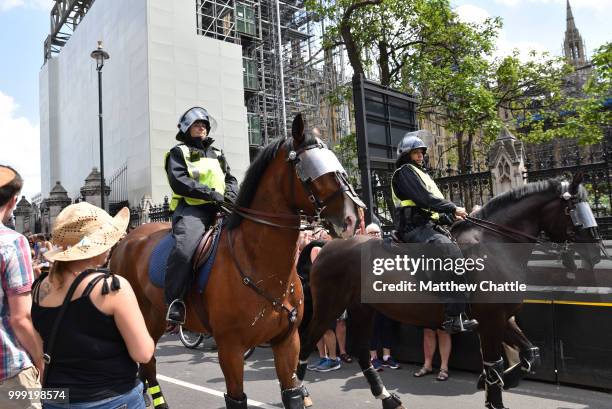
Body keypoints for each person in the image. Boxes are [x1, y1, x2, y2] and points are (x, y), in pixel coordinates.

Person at [31, 202, 154, 408]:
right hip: (110, 397)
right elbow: (142, 353)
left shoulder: (38, 288)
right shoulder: (111, 287)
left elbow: (39, 352)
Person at [392, 131, 478, 334]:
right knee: (450, 252)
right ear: (406, 154)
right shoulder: (404, 172)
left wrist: (451, 218)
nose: (421, 156)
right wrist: (452, 208)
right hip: (412, 228)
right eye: (416, 152)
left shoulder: (423, 174)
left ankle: (462, 310)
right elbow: (424, 200)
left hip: (427, 225)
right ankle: (452, 316)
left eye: (422, 152)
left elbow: (431, 210)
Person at [165, 107, 238, 324]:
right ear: (187, 129)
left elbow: (230, 179)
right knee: (184, 250)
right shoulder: (179, 152)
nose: (203, 128)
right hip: (193, 210)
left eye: (205, 125)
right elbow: (179, 181)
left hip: (221, 207)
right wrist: (211, 194)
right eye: (198, 125)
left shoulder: (217, 153)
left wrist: (230, 196)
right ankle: (174, 302)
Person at [0, 165, 44, 409]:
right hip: (8, 374)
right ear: (13, 201)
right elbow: (20, 318)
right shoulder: (12, 242)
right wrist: (40, 358)